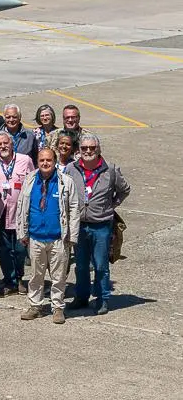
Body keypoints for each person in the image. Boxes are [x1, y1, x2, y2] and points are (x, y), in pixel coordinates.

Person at [17, 148, 82, 323]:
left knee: (58, 276)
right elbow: (22, 206)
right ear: (37, 162)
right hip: (36, 238)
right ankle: (35, 305)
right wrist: (22, 232)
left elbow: (74, 210)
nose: (45, 163)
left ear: (54, 161)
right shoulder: (30, 180)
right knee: (36, 276)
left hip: (58, 239)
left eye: (49, 160)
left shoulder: (65, 182)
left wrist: (72, 236)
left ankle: (58, 307)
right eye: (42, 160)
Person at [70, 133, 131, 315]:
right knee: (80, 265)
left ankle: (103, 298)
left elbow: (124, 190)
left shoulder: (110, 170)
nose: (88, 151)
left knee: (101, 265)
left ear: (98, 149)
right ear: (79, 151)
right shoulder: (71, 170)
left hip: (101, 225)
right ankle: (81, 297)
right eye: (84, 148)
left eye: (92, 148)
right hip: (79, 225)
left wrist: (111, 206)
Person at [0, 130, 35, 297]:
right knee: (5, 250)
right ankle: (9, 280)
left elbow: (33, 182)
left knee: (20, 249)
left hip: (20, 213)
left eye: (6, 143)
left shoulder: (24, 160)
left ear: (12, 144)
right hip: (0, 212)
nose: (3, 146)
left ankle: (20, 278)